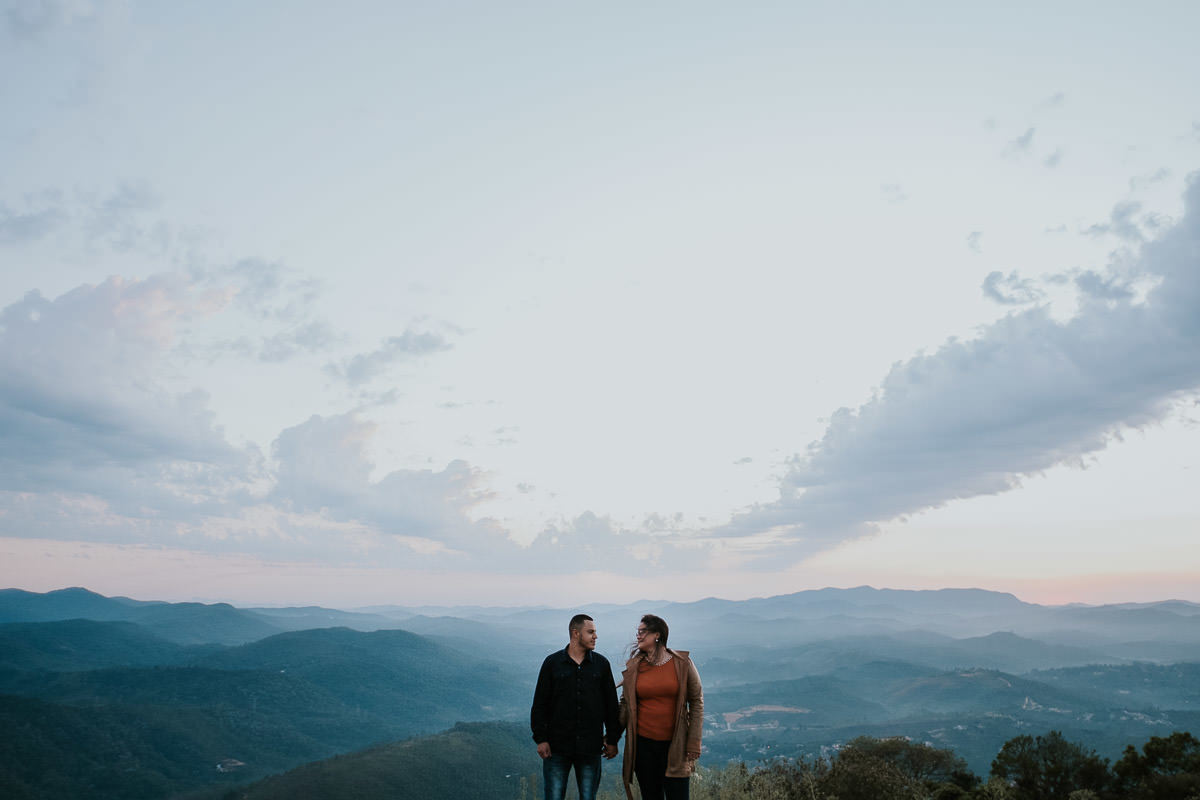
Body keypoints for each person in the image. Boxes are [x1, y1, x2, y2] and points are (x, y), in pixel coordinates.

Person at [531, 613, 622, 800]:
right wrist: (541, 739)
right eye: (591, 632)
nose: (595, 636)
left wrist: (613, 739)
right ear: (576, 633)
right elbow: (540, 703)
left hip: (590, 747)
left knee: (588, 797)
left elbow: (611, 706)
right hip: (556, 747)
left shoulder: (601, 665)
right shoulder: (552, 663)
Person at [618, 614, 703, 800]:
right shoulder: (635, 668)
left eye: (642, 632)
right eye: (637, 632)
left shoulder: (682, 663)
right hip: (643, 747)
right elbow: (625, 706)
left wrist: (694, 742)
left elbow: (696, 701)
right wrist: (611, 738)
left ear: (657, 635)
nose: (638, 636)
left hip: (676, 746)